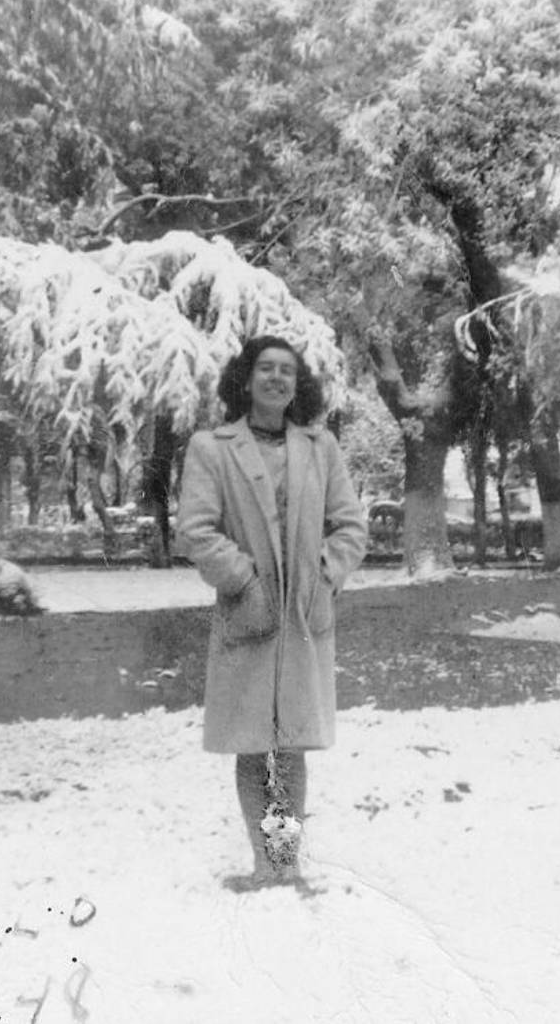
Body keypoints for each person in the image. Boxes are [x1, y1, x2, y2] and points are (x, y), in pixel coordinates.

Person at [176, 335, 368, 889]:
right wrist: (242, 580)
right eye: (266, 369)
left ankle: (285, 862)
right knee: (253, 742)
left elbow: (351, 526)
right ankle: (265, 863)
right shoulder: (212, 448)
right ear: (246, 377)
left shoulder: (320, 446)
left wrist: (324, 576)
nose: (277, 379)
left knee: (290, 745)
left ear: (298, 382)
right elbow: (196, 530)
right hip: (249, 614)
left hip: (304, 617)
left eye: (287, 371)